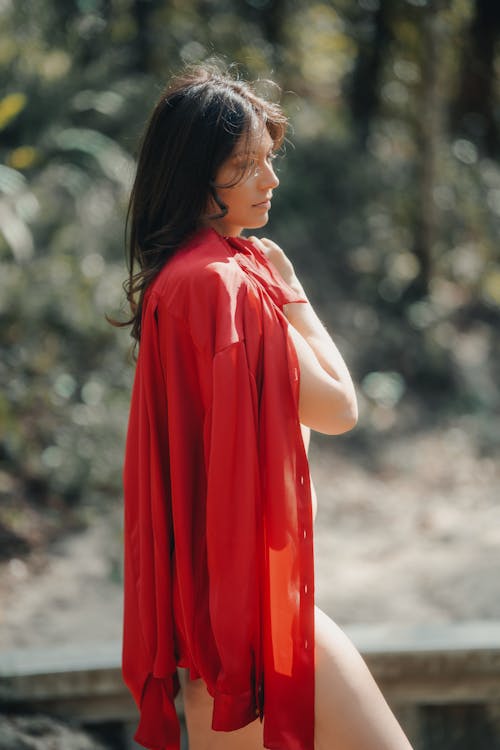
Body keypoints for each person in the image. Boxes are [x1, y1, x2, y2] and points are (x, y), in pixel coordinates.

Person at [117, 62, 413, 750]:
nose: (270, 180)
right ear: (194, 173)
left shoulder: (177, 281)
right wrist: (296, 292)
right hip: (258, 617)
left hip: (205, 624)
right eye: (246, 165)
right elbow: (339, 408)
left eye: (268, 160)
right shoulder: (231, 284)